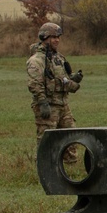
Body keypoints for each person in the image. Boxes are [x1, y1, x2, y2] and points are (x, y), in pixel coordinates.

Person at [26, 22, 83, 162]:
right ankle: (43, 169)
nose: (57, 40)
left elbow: (62, 79)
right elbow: (35, 83)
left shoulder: (59, 58)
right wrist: (43, 103)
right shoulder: (36, 60)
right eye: (53, 37)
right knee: (46, 141)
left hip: (63, 105)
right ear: (44, 38)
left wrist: (73, 80)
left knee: (71, 138)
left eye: (58, 37)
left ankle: (69, 171)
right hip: (48, 107)